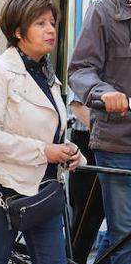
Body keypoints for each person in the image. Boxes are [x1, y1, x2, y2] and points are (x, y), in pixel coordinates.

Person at [0, 0, 85, 264]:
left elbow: (50, 129)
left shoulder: (47, 73)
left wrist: (71, 151)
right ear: (18, 31)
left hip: (43, 191)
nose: (51, 29)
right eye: (40, 23)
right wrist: (45, 151)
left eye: (52, 22)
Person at [68, 0, 131, 264]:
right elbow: (79, 70)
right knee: (124, 231)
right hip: (118, 143)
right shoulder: (104, 12)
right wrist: (105, 94)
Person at [67, 89, 104, 264]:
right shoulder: (87, 62)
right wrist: (105, 133)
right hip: (88, 139)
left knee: (110, 215)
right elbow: (77, 105)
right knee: (86, 216)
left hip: (115, 145)